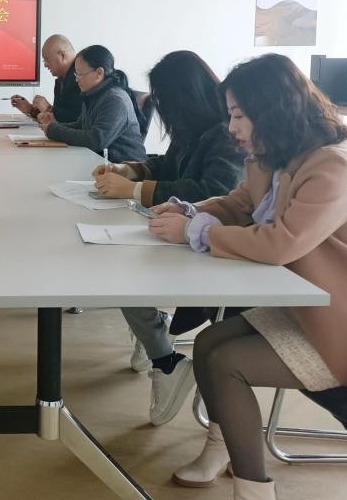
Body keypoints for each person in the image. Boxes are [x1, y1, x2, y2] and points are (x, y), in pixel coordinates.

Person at [147, 54, 347, 500]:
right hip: (314, 305)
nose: (231, 126)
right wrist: (189, 211)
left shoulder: (333, 167)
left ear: (272, 111)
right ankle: (223, 448)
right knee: (208, 344)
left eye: (239, 115)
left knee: (228, 363)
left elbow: (282, 243)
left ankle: (254, 490)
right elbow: (239, 204)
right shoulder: (273, 155)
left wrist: (196, 231)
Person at [91, 50, 245, 425]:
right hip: (185, 232)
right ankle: (154, 337)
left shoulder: (225, 133)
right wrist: (130, 169)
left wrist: (134, 191)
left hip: (214, 242)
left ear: (183, 98)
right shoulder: (196, 128)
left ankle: (165, 359)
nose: (161, 110)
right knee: (115, 261)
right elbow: (171, 165)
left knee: (122, 271)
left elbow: (213, 190)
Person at [39, 45, 147, 162]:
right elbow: (81, 125)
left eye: (80, 74)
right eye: (76, 74)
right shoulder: (94, 94)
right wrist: (53, 125)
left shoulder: (115, 100)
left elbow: (96, 140)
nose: (77, 79)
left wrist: (53, 130)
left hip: (126, 169)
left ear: (99, 73)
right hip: (102, 163)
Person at [10, 34, 81, 123]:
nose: (45, 65)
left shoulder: (81, 79)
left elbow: (79, 122)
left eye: (47, 59)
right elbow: (57, 121)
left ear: (62, 55)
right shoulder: (61, 80)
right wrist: (30, 110)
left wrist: (48, 109)